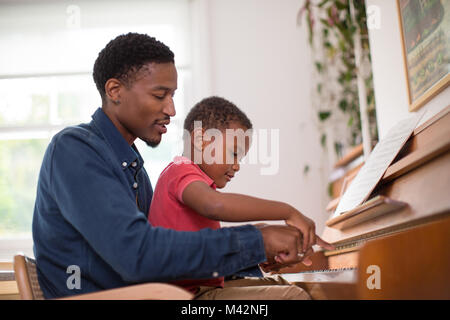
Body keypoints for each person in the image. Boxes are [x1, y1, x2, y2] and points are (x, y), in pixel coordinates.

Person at [32, 32, 316, 299]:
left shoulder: (135, 172)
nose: (171, 110)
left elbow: (164, 261)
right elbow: (138, 256)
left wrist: (257, 254)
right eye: (160, 95)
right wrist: (257, 241)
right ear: (115, 90)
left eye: (172, 96)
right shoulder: (75, 149)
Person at [148, 96, 333, 299]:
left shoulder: (195, 182)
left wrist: (261, 250)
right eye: (234, 153)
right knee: (292, 297)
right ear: (201, 140)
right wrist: (288, 211)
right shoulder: (179, 171)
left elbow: (212, 249)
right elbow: (216, 205)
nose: (237, 166)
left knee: (299, 287)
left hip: (205, 287)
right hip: (187, 296)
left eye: (241, 158)